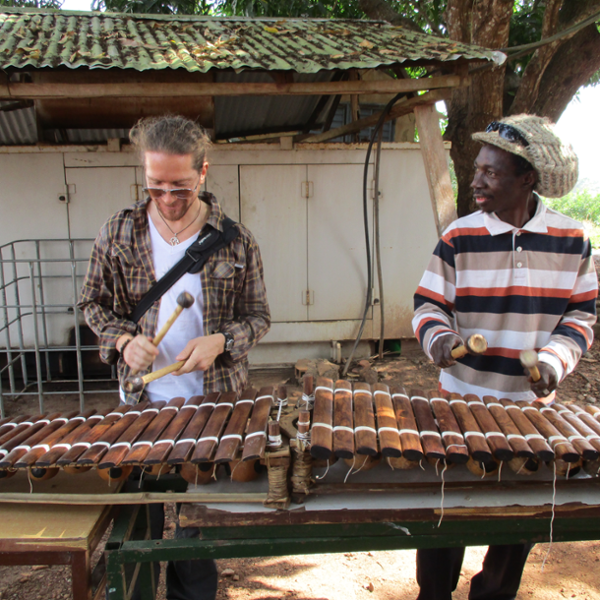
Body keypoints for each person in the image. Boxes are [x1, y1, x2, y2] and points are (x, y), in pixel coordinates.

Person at [79, 114, 270, 599]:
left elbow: (259, 316)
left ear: (203, 173)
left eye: (180, 187)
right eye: (155, 185)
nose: (166, 199)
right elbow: (92, 304)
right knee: (139, 527)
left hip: (212, 408)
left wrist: (221, 342)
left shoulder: (235, 239)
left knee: (194, 531)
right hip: (141, 406)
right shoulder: (119, 232)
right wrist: (124, 340)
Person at [412, 114, 597, 600]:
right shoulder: (459, 237)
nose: (475, 180)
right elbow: (428, 305)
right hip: (459, 405)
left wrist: (555, 361)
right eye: (477, 169)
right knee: (444, 519)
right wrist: (439, 341)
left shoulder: (573, 241)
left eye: (491, 172)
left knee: (516, 526)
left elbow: (580, 319)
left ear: (527, 180)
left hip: (531, 411)